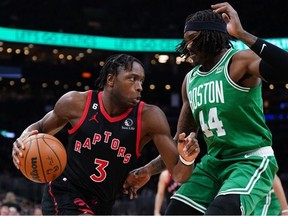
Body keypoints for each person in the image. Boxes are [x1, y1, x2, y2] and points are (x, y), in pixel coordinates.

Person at [123, 2, 288, 215]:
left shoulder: (238, 62)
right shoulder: (190, 81)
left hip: (250, 160)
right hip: (213, 164)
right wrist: (148, 170)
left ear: (212, 37)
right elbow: (178, 142)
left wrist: (241, 34)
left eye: (194, 39)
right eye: (186, 41)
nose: (188, 46)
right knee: (175, 211)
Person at [12, 54, 200, 215]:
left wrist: (185, 160)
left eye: (141, 80)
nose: (139, 86)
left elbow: (179, 174)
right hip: (65, 191)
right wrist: (22, 140)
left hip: (103, 203)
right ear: (110, 80)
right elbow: (39, 127)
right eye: (132, 79)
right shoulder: (76, 103)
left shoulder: (149, 117)